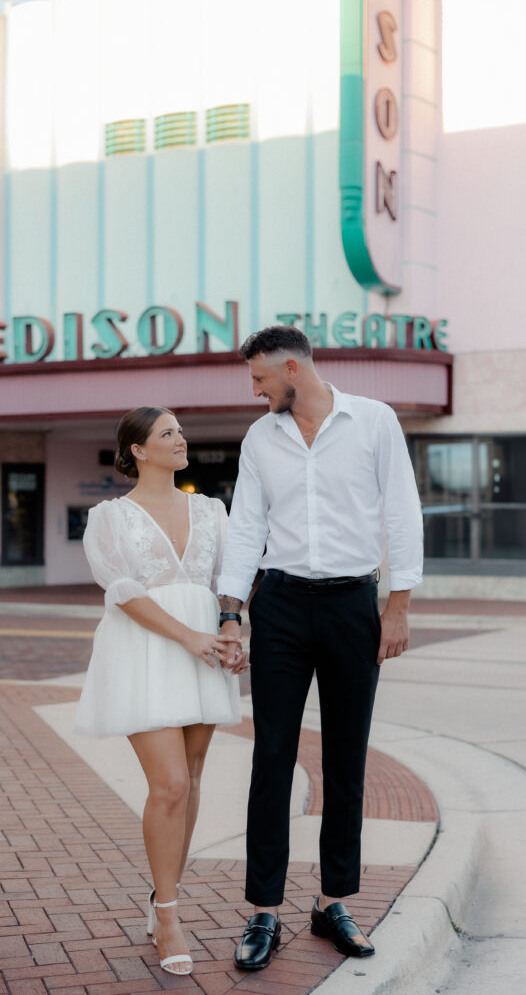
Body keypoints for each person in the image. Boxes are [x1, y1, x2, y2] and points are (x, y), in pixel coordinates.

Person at [217, 326, 423, 970]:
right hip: (278, 604)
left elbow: (402, 513)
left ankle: (334, 901)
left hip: (351, 606)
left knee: (346, 760)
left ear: (291, 369)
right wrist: (231, 613)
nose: (255, 392)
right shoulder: (261, 437)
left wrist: (398, 605)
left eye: (259, 380)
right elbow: (246, 522)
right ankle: (264, 911)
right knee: (272, 757)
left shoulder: (374, 422)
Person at [75, 405, 249, 977]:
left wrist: (229, 630)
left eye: (180, 430)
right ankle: (168, 916)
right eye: (167, 433)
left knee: (192, 778)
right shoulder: (109, 517)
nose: (181, 438)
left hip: (203, 649)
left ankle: (163, 894)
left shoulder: (210, 508)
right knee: (169, 783)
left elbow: (230, 580)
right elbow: (122, 590)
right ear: (140, 451)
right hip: (146, 651)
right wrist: (190, 637)